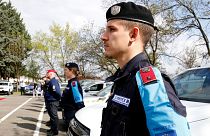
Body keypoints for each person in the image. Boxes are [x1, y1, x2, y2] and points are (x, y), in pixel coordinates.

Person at [100, 2, 190, 136]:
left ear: (133, 35)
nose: (103, 36)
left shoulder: (149, 85)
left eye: (112, 29)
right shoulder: (123, 79)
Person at [60, 62, 85, 131]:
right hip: (68, 112)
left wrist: (81, 113)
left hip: (72, 113)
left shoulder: (74, 83)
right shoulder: (70, 82)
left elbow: (78, 100)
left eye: (66, 70)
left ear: (71, 71)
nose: (64, 72)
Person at [45, 69, 61, 136]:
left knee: (54, 117)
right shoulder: (51, 81)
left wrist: (56, 99)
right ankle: (52, 129)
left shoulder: (53, 81)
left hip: (53, 101)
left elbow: (57, 92)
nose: (46, 74)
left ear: (51, 74)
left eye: (47, 73)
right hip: (51, 101)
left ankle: (54, 131)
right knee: (52, 117)